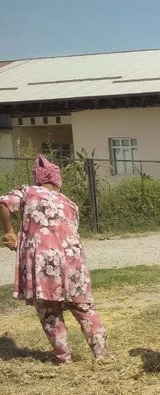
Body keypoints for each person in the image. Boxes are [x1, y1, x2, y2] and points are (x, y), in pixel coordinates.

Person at [0, 155, 114, 365]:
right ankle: (102, 354)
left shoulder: (27, 191)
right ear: (57, 181)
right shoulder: (70, 203)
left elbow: (4, 204)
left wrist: (9, 232)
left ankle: (64, 358)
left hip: (45, 264)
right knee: (85, 308)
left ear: (38, 178)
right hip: (74, 262)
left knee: (49, 310)